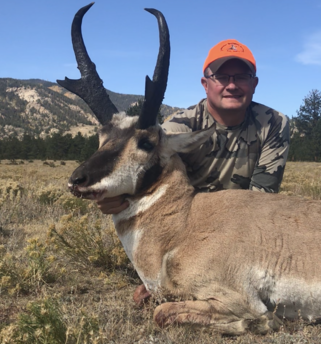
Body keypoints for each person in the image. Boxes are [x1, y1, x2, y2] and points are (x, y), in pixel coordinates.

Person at [97, 39, 290, 215]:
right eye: (221, 77)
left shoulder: (273, 123)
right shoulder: (177, 130)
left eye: (241, 77)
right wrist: (114, 196)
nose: (232, 85)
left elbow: (262, 199)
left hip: (244, 220)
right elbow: (140, 177)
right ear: (205, 84)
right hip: (188, 223)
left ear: (254, 84)